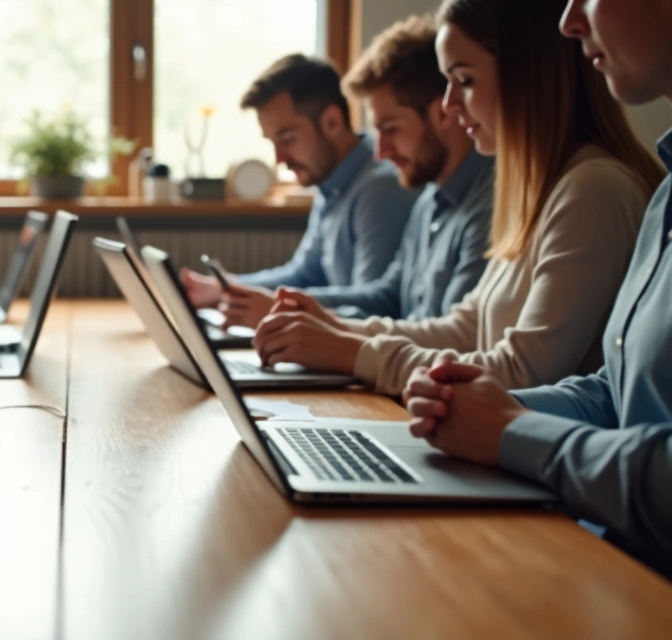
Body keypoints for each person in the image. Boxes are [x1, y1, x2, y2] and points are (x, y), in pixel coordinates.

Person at [251, 0, 663, 398]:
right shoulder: (538, 189)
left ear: (526, 76)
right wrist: (337, 329)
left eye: (464, 81)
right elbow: (465, 328)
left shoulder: (593, 189)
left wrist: (349, 351)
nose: (449, 105)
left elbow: (524, 373)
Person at [405, 0, 672, 577]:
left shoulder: (598, 186)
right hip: (610, 548)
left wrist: (510, 429)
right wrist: (482, 408)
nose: (569, 21)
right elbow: (619, 392)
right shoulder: (665, 195)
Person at [220, 15, 493, 329]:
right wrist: (294, 309)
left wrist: (313, 324)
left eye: (391, 129)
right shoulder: (429, 202)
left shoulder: (486, 205)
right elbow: (387, 296)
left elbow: (455, 340)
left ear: (443, 112)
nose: (381, 152)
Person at [181, 54, 418, 319]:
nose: (279, 159)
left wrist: (271, 306)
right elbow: (304, 274)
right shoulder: (331, 183)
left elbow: (372, 309)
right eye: (272, 142)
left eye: (287, 138)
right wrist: (226, 288)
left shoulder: (381, 190)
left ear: (332, 122)